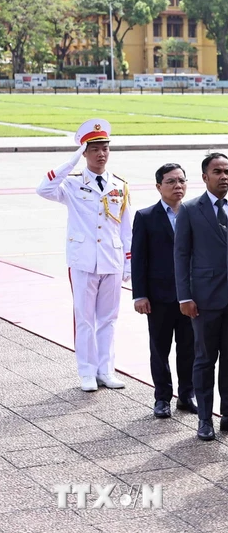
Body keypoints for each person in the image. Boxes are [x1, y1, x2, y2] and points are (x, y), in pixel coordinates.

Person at [37, 118, 130, 392]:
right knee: (85, 318)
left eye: (105, 148)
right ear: (84, 153)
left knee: (109, 318)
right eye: (95, 149)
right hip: (83, 259)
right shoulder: (72, 184)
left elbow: (126, 226)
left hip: (111, 260)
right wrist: (71, 162)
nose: (101, 154)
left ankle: (106, 369)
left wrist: (128, 261)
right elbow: (43, 189)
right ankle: (87, 371)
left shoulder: (119, 185)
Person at [174, 153, 228, 441]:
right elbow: (181, 254)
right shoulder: (190, 209)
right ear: (205, 177)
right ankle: (205, 418)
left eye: (227, 171)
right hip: (203, 299)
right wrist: (184, 296)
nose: (224, 176)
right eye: (217, 171)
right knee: (204, 359)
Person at [132, 163, 196, 418]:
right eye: (170, 181)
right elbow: (139, 258)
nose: (177, 186)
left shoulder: (194, 213)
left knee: (188, 348)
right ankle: (162, 398)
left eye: (181, 180)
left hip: (190, 296)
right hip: (158, 297)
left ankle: (187, 394)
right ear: (158, 186)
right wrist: (140, 294)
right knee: (160, 348)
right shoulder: (146, 217)